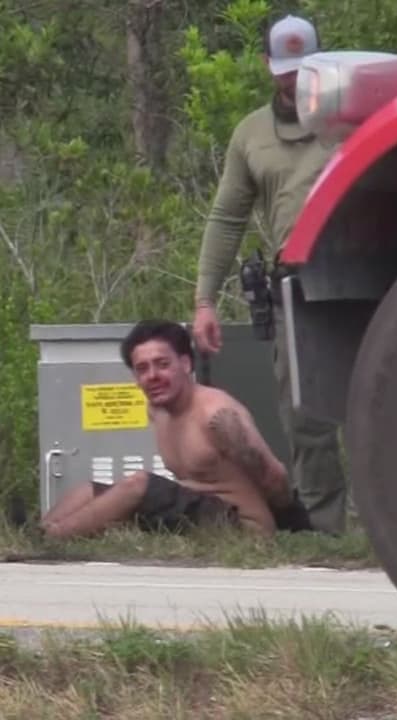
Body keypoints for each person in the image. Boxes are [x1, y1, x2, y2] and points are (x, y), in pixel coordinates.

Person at [190, 13, 348, 534]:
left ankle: (395, 516)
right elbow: (227, 217)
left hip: (362, 272)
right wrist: (205, 301)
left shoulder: (353, 115)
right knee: (305, 412)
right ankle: (327, 529)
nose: (292, 78)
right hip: (297, 282)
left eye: (301, 69)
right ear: (267, 66)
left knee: (378, 396)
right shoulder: (252, 134)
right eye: (283, 69)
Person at [38, 320, 295, 539]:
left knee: (139, 484)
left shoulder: (218, 416)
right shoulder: (157, 411)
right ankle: (38, 533)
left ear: (185, 364)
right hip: (190, 511)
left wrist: (290, 528)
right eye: (142, 369)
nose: (152, 376)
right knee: (88, 491)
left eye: (162, 364)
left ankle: (52, 540)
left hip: (240, 525)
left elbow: (274, 476)